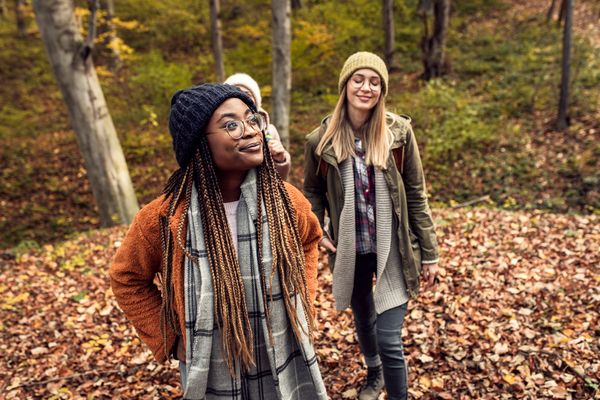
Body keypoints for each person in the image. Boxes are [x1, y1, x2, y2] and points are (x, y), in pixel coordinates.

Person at [110, 83, 328, 399]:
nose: (251, 131)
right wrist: (169, 338)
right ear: (199, 143)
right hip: (210, 363)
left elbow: (309, 240)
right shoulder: (164, 216)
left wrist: (303, 305)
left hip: (282, 351)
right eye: (230, 125)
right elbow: (126, 277)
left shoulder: (285, 200)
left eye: (252, 119)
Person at [303, 52, 440, 400]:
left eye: (374, 81)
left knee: (389, 337)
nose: (366, 88)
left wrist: (430, 253)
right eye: (358, 80)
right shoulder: (320, 141)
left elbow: (416, 195)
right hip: (353, 247)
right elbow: (313, 192)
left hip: (394, 247)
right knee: (364, 320)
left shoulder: (399, 134)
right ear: (345, 85)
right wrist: (317, 230)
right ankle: (373, 370)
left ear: (382, 89)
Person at [224, 73, 291, 180]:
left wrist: (280, 160)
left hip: (264, 191)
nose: (241, 97)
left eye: (247, 94)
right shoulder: (222, 129)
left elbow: (281, 179)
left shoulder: (270, 131)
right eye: (236, 92)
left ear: (256, 101)